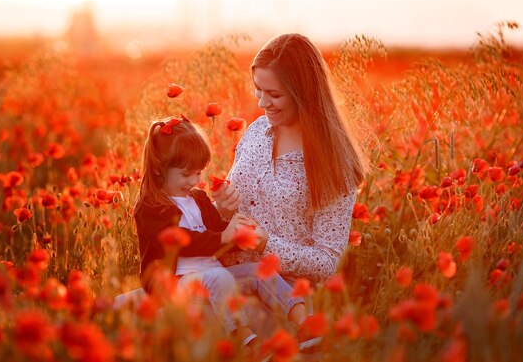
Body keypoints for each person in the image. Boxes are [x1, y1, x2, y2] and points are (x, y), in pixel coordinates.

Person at [132, 115, 311, 351]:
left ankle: (304, 322)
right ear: (158, 169)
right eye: (186, 175)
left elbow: (218, 232)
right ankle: (246, 340)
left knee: (260, 271)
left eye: (198, 173)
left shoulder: (198, 198)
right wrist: (222, 237)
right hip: (174, 284)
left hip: (212, 276)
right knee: (220, 278)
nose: (195, 181)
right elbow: (177, 242)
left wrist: (237, 234)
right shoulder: (151, 206)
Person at [213, 33, 367, 287]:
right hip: (224, 279)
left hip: (281, 296)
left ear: (303, 93)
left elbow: (326, 262)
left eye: (274, 94)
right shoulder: (256, 131)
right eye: (258, 89)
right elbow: (225, 217)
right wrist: (221, 210)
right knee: (128, 304)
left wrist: (265, 243)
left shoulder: (333, 162)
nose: (262, 102)